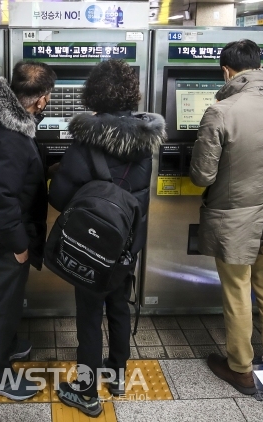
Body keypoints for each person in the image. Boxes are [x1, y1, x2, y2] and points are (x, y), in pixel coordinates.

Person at [48, 60, 165, 416]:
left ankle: (86, 391)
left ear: (94, 94)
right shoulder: (146, 140)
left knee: (88, 314)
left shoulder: (85, 141)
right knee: (118, 304)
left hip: (92, 243)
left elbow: (58, 197)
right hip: (129, 241)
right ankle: (116, 374)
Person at [189, 40, 263, 395]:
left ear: (227, 70)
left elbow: (202, 176)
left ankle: (240, 369)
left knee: (237, 293)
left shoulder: (221, 111)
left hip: (233, 221)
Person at [0, 61, 56, 400]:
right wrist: (20, 245)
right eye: (46, 97)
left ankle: (7, 344)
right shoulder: (10, 139)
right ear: (39, 99)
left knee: (6, 300)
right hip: (4, 239)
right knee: (4, 305)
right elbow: (1, 198)